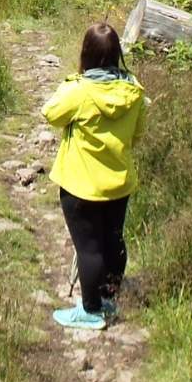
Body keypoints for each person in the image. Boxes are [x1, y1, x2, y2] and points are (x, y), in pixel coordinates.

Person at [42, 21, 145, 331]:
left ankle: (90, 310)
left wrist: (74, 80)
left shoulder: (80, 91)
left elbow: (50, 113)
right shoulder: (133, 90)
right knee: (113, 242)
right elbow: (137, 134)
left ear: (85, 53)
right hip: (119, 183)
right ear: (117, 54)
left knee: (88, 249)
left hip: (80, 185)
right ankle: (108, 299)